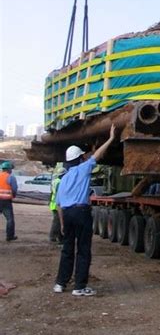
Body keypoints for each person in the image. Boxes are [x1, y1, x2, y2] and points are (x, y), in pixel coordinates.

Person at [53, 125, 117, 296]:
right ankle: (79, 286)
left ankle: (60, 283)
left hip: (67, 215)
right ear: (80, 158)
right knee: (83, 249)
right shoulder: (83, 169)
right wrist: (110, 138)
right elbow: (97, 155)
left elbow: (59, 204)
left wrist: (62, 224)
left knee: (67, 249)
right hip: (81, 213)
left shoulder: (64, 178)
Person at [0, 160, 18, 242]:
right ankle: (9, 236)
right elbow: (14, 189)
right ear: (8, 169)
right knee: (10, 219)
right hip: (6, 201)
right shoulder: (11, 177)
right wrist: (13, 195)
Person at [49, 167, 66, 243]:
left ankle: (54, 237)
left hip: (53, 203)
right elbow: (60, 194)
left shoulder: (55, 181)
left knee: (56, 221)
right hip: (57, 204)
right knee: (58, 222)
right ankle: (57, 237)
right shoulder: (60, 182)